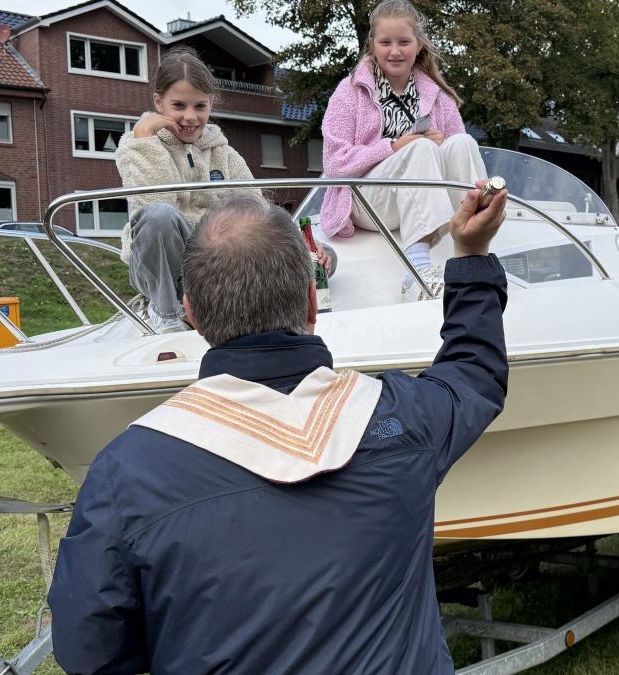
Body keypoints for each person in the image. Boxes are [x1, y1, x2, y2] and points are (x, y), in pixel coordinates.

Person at [48, 180, 510, 672]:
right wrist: (470, 252)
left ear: (190, 313)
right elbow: (474, 372)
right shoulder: (404, 418)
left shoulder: (127, 470)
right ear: (312, 300)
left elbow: (90, 649)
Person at [116, 47, 332, 332]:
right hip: (166, 267)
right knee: (159, 216)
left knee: (323, 260)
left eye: (200, 106)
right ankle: (167, 315)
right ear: (159, 103)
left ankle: (270, 306)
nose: (190, 117)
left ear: (211, 105)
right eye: (178, 106)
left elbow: (258, 209)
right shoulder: (137, 146)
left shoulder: (222, 152)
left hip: (216, 266)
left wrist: (307, 249)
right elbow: (152, 205)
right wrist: (145, 140)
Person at [320, 0, 487, 301]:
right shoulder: (349, 93)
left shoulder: (437, 96)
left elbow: (455, 151)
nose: (394, 51)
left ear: (418, 44)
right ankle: (417, 273)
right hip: (366, 202)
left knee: (463, 142)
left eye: (403, 42)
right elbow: (334, 164)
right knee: (419, 147)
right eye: (385, 42)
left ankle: (474, 247)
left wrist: (436, 145)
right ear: (372, 44)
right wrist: (396, 146)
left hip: (419, 197)